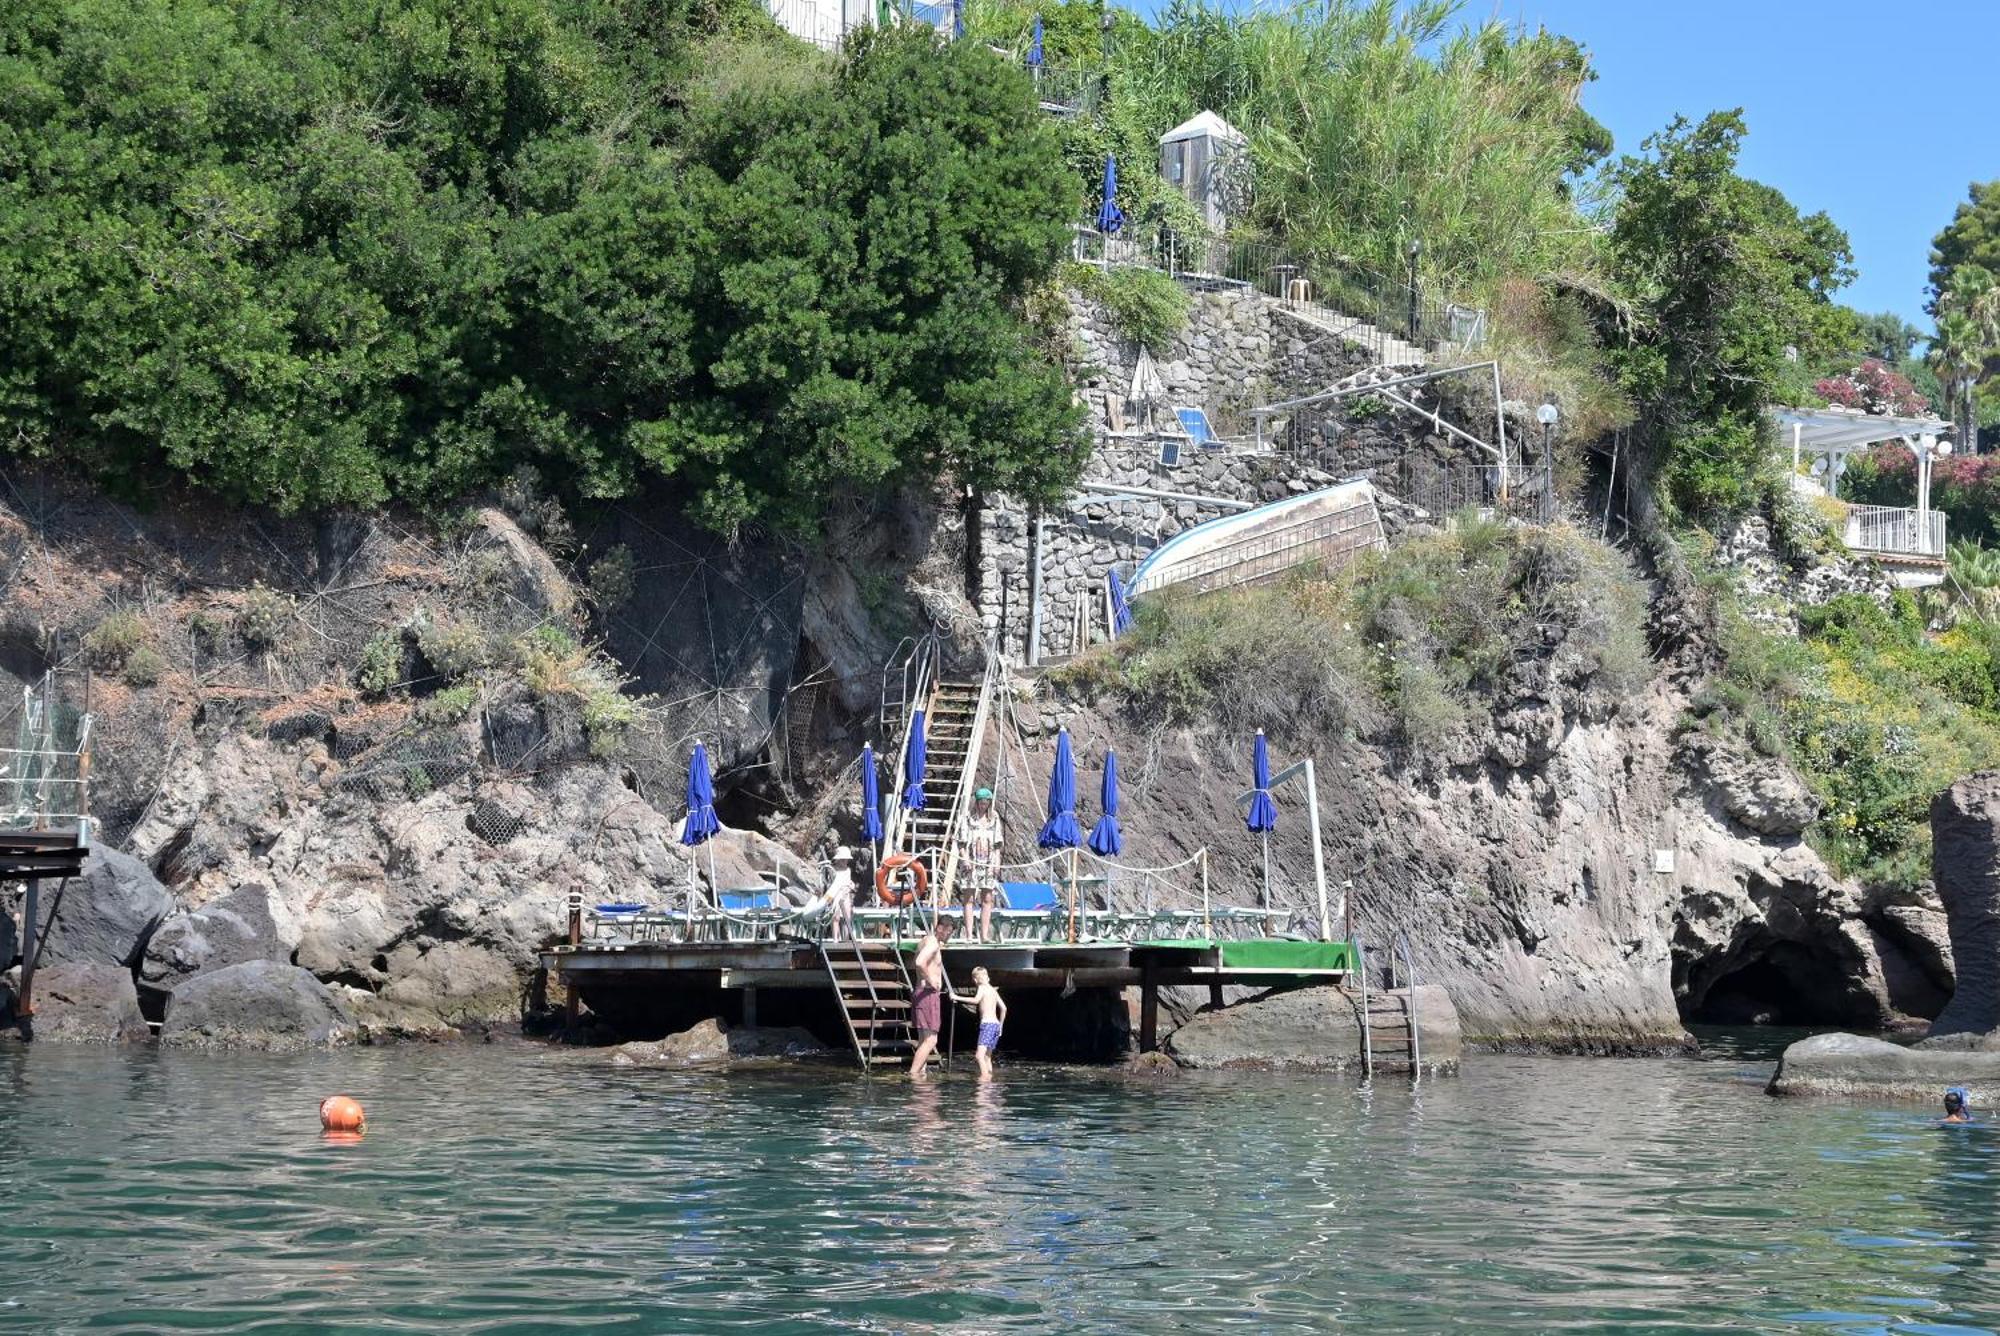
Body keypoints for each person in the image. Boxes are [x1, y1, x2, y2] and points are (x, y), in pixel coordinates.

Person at [908, 916, 954, 1078]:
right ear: (940, 928)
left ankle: (921, 1073)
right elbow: (920, 962)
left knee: (923, 1039)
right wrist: (931, 980)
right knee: (931, 1040)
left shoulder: (924, 941)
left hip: (920, 991)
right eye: (948, 932)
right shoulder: (933, 943)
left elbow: (914, 961)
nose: (949, 936)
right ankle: (913, 1074)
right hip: (927, 993)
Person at [958, 788, 1003, 942]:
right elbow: (961, 842)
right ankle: (970, 935)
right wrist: (965, 859)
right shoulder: (968, 818)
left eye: (986, 803)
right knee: (969, 898)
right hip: (971, 861)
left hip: (988, 862)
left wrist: (997, 864)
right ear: (976, 803)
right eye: (981, 803)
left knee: (987, 898)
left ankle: (984, 935)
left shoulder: (994, 818)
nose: (983, 806)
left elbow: (998, 844)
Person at [953, 965, 1007, 1080]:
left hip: (987, 1024)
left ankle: (984, 1079)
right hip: (996, 1025)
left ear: (975, 980)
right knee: (987, 1057)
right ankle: (990, 1080)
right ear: (988, 978)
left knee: (979, 1056)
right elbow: (1004, 1008)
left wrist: (956, 997)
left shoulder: (982, 988)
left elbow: (976, 1000)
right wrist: (1001, 1026)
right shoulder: (993, 990)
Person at [824, 846, 856, 941]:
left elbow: (848, 881)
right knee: (835, 917)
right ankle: (835, 939)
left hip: (845, 894)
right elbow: (829, 883)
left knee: (847, 917)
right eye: (842, 860)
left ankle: (846, 939)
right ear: (838, 860)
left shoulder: (848, 870)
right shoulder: (832, 869)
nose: (845, 862)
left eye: (846, 860)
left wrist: (851, 885)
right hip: (835, 894)